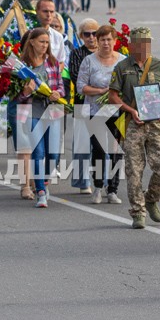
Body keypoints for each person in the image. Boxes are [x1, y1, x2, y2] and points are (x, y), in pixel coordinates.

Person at [106, 27, 160, 229]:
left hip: (157, 123)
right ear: (131, 45)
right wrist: (130, 110)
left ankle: (151, 198)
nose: (145, 47)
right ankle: (138, 212)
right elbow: (113, 96)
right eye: (141, 43)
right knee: (134, 170)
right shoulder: (122, 67)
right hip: (133, 123)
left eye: (148, 43)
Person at [16, 27, 67, 208]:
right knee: (37, 153)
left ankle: (44, 180)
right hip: (31, 112)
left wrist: (56, 93)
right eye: (41, 42)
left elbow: (61, 86)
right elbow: (15, 96)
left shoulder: (52, 62)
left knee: (52, 153)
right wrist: (25, 91)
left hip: (52, 111)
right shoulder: (22, 65)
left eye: (47, 43)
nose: (45, 46)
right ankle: (41, 192)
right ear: (32, 42)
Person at [79, 24, 126, 204]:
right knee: (99, 149)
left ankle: (112, 189)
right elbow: (81, 86)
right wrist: (102, 91)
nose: (106, 43)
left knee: (116, 151)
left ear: (115, 41)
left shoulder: (122, 60)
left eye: (109, 39)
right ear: (97, 42)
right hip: (95, 111)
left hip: (118, 112)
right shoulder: (89, 61)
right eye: (102, 40)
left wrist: (117, 95)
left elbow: (128, 85)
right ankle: (98, 186)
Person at [67, 18, 100, 195]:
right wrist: (99, 86)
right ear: (81, 36)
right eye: (87, 34)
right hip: (82, 104)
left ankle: (102, 181)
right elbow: (76, 77)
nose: (91, 37)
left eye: (95, 33)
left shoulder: (106, 53)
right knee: (82, 145)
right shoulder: (77, 54)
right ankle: (82, 181)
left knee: (103, 145)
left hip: (103, 106)